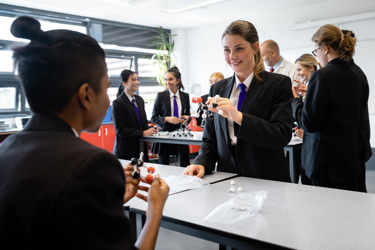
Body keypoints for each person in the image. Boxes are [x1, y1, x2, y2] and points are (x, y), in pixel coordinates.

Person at [0, 16, 169, 250]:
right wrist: (155, 210)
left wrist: (104, 200)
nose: (109, 98)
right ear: (86, 95)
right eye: (107, 86)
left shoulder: (5, 151)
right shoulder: (93, 165)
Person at [183, 20, 293, 182]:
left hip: (266, 179)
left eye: (239, 49)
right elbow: (210, 138)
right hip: (227, 178)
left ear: (255, 48)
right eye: (227, 50)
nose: (232, 57)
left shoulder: (278, 84)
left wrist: (238, 117)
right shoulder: (217, 89)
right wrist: (202, 162)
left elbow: (280, 136)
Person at [292, 24, 361, 191]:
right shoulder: (353, 73)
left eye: (315, 51)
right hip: (346, 159)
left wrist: (296, 101)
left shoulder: (321, 75)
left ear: (325, 49)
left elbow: (308, 123)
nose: (316, 57)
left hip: (324, 163)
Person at [342, 29, 372, 192]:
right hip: (357, 141)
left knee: (355, 191)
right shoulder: (356, 71)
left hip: (352, 144)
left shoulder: (347, 74)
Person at [112, 70, 157, 161]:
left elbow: (142, 123)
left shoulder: (139, 100)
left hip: (141, 148)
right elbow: (120, 130)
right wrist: (142, 133)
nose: (137, 82)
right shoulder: (118, 103)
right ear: (124, 83)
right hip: (126, 151)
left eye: (137, 79)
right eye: (133, 80)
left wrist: (149, 130)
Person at [151, 67, 191, 167]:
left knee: (184, 165)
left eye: (170, 79)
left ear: (178, 80)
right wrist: (167, 118)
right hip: (165, 135)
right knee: (163, 167)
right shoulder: (160, 96)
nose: (167, 82)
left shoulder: (185, 96)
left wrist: (187, 118)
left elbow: (188, 115)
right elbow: (154, 118)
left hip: (181, 134)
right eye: (166, 79)